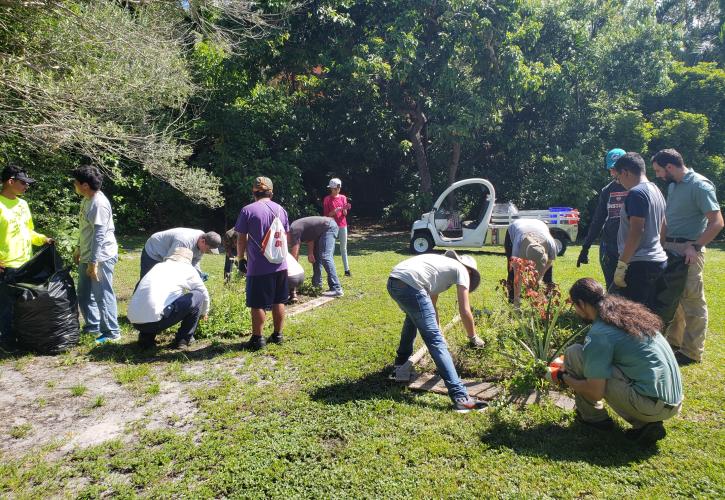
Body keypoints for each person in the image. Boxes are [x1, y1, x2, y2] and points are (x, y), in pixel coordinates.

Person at [554, 278, 683, 445]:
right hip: (674, 402)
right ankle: (644, 423)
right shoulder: (632, 318)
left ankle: (594, 419)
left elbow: (595, 392)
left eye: (574, 306)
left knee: (574, 353)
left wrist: (563, 377)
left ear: (581, 304)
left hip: (651, 406)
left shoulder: (599, 334)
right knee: (584, 357)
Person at [388, 250, 487, 412]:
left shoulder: (440, 268)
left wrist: (438, 330)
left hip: (394, 281)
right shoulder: (461, 270)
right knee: (435, 341)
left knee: (412, 320)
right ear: (469, 270)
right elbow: (465, 310)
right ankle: (460, 398)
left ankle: (400, 367)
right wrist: (473, 337)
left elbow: (431, 306)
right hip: (411, 284)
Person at [652, 149, 724, 365]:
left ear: (670, 167)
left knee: (693, 302)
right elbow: (668, 218)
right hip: (670, 247)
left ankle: (692, 352)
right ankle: (675, 342)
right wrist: (661, 244)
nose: (657, 175)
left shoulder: (700, 185)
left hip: (688, 250)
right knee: (676, 298)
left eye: (658, 170)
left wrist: (695, 246)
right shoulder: (674, 186)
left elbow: (717, 222)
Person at [0, 165, 53, 347]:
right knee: (6, 308)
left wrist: (43, 239)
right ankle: (6, 343)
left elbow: (28, 232)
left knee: (25, 306)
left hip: (26, 263)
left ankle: (24, 339)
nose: (26, 187)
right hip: (6, 265)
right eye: (23, 183)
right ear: (10, 181)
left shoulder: (23, 204)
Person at [235, 176, 289, 350]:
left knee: (257, 303)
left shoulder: (247, 210)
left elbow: (241, 238)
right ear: (271, 192)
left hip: (258, 266)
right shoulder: (281, 209)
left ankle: (258, 339)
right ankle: (278, 335)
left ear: (254, 192)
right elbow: (285, 235)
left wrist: (240, 257)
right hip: (280, 263)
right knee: (279, 300)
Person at [611, 152, 667, 310]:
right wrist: (658, 249)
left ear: (625, 172)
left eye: (618, 177)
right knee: (650, 315)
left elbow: (637, 230)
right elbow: (664, 226)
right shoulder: (656, 190)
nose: (619, 182)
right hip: (657, 262)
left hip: (639, 266)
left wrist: (622, 265)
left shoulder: (636, 193)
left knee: (634, 318)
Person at [72, 165, 120, 344]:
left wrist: (93, 262)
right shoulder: (86, 199)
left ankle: (112, 333)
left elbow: (99, 235)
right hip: (87, 255)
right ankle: (93, 327)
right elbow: (86, 229)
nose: (74, 185)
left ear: (85, 185)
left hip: (101, 257)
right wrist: (78, 247)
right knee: (84, 294)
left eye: (75, 183)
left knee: (103, 294)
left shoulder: (98, 204)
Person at [127, 247, 210, 349]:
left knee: (156, 302)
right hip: (156, 322)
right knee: (198, 295)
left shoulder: (158, 266)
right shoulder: (187, 269)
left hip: (135, 321)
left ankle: (146, 338)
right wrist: (204, 312)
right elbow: (203, 292)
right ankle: (183, 339)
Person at [577, 148, 628, 288]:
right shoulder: (607, 191)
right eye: (611, 168)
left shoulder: (636, 189)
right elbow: (598, 220)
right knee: (611, 286)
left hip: (630, 246)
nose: (612, 172)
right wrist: (585, 247)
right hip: (610, 246)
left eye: (615, 168)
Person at [504, 218, 557, 304]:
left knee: (548, 274)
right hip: (515, 230)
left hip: (539, 227)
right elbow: (517, 275)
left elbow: (549, 262)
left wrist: (540, 277)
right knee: (512, 272)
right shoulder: (518, 246)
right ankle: (512, 299)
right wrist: (517, 303)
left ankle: (546, 299)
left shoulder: (551, 244)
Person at [289, 216, 343, 297]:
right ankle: (317, 286)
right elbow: (310, 238)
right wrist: (310, 253)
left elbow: (295, 255)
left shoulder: (293, 230)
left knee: (325, 256)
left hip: (328, 227)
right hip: (322, 231)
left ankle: (336, 288)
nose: (288, 244)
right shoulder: (295, 229)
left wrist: (291, 271)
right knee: (316, 257)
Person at [141, 227, 222, 279]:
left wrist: (198, 274)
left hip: (168, 252)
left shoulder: (203, 240)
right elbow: (170, 264)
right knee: (147, 280)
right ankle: (137, 301)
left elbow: (195, 260)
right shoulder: (183, 242)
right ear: (203, 241)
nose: (206, 252)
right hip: (154, 250)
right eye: (208, 250)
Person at [322, 177, 352, 277]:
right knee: (331, 249)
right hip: (332, 226)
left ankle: (347, 270)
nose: (337, 190)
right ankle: (331, 271)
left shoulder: (343, 197)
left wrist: (344, 210)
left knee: (343, 248)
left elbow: (345, 213)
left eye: (338, 188)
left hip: (343, 225)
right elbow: (326, 215)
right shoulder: (327, 199)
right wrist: (335, 211)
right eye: (335, 188)